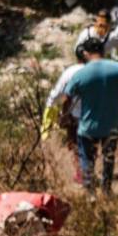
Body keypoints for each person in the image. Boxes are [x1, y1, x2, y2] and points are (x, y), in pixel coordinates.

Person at [63, 37, 118, 197]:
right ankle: (106, 189)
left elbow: (66, 97)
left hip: (88, 126)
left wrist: (66, 116)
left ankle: (90, 193)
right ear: (102, 51)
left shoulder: (81, 74)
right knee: (108, 158)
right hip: (111, 124)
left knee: (87, 159)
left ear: (86, 53)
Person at [43, 44, 89, 184]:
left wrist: (49, 108)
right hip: (96, 114)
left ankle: (81, 174)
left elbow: (57, 93)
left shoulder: (70, 72)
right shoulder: (98, 70)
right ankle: (89, 171)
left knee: (75, 145)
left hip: (75, 115)